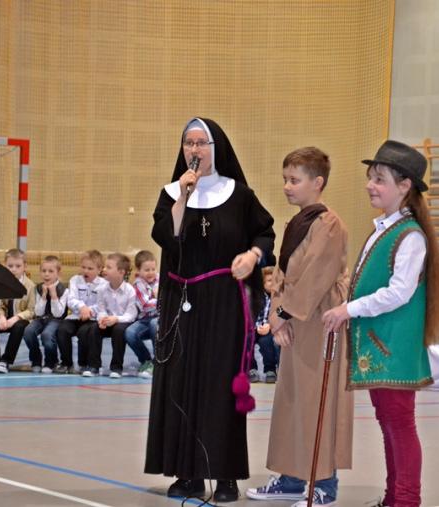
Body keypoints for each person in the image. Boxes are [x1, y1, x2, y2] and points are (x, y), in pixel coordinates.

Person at [145, 117, 275, 503]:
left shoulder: (240, 195)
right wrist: (183, 196)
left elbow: (265, 233)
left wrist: (253, 256)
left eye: (201, 143)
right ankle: (187, 474)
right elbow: (165, 236)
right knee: (181, 384)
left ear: (216, 148)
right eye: (188, 143)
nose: (194, 149)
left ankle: (226, 475)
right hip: (181, 303)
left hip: (224, 304)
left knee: (220, 387)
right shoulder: (172, 194)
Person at [322, 140, 439, 507]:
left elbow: (398, 293)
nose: (370, 186)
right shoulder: (387, 228)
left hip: (394, 344)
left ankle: (406, 500)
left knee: (399, 424)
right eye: (370, 178)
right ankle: (394, 497)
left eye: (379, 179)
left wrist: (348, 309)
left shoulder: (410, 235)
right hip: (382, 344)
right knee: (389, 422)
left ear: (405, 186)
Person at [247, 147, 352, 507]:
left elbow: (315, 277)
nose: (287, 186)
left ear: (317, 182)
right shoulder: (296, 223)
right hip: (292, 323)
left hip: (320, 323)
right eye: (285, 179)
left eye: (294, 180)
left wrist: (284, 313)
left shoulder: (329, 224)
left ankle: (324, 483)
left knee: (318, 401)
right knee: (292, 401)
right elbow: (281, 274)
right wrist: (277, 316)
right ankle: (292, 477)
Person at [0, 248, 36, 373]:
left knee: (19, 327)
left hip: (20, 320)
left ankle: (6, 361)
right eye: (10, 266)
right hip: (5, 319)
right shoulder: (2, 284)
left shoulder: (31, 286)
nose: (13, 269)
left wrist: (16, 318)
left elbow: (32, 310)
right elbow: (0, 305)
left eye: (18, 266)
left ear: (25, 267)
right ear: (4, 266)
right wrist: (1, 316)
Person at [55, 250, 108, 374]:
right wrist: (82, 307)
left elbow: (102, 304)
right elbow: (71, 299)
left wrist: (89, 311)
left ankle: (84, 364)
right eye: (83, 267)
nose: (86, 271)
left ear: (99, 269)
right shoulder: (75, 280)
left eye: (90, 268)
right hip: (75, 316)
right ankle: (66, 363)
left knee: (84, 332)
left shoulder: (104, 284)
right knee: (62, 330)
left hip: (92, 319)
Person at [87, 252, 137, 377]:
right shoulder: (102, 289)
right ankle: (94, 366)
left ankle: (116, 368)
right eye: (105, 266)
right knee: (94, 329)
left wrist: (116, 319)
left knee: (119, 331)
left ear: (121, 272)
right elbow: (101, 308)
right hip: (108, 321)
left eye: (109, 267)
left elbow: (131, 315)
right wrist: (102, 319)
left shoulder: (130, 291)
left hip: (122, 322)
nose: (104, 270)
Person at [23, 256, 68, 373]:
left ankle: (51, 362)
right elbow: (38, 312)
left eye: (51, 271)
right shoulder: (38, 288)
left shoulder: (64, 290)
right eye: (44, 271)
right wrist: (43, 296)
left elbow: (58, 313)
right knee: (28, 331)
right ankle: (36, 359)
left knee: (47, 335)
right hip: (41, 318)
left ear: (58, 273)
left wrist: (54, 296)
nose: (46, 274)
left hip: (57, 320)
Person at [123, 250, 159, 378]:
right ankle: (146, 360)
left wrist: (156, 299)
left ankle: (158, 361)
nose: (151, 272)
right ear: (139, 270)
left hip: (159, 318)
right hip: (144, 320)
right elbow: (145, 306)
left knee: (155, 323)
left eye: (153, 269)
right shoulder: (138, 284)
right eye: (147, 270)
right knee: (129, 332)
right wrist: (159, 298)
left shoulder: (160, 279)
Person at [249, 266, 280, 384]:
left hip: (270, 328)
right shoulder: (257, 296)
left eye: (275, 280)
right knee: (248, 338)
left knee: (266, 341)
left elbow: (280, 315)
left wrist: (270, 326)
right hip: (255, 327)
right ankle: (251, 369)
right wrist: (255, 327)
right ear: (262, 283)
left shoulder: (279, 297)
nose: (273, 283)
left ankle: (270, 370)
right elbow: (250, 313)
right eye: (269, 281)